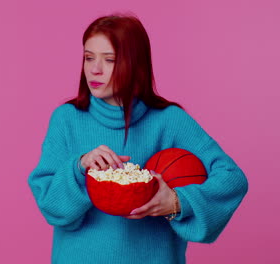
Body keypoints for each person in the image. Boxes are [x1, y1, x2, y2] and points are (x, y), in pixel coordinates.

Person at [28, 14, 248, 264]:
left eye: (109, 60)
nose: (94, 69)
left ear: (136, 65)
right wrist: (80, 167)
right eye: (88, 57)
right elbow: (49, 204)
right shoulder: (66, 119)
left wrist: (177, 202)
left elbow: (232, 178)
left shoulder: (170, 121)